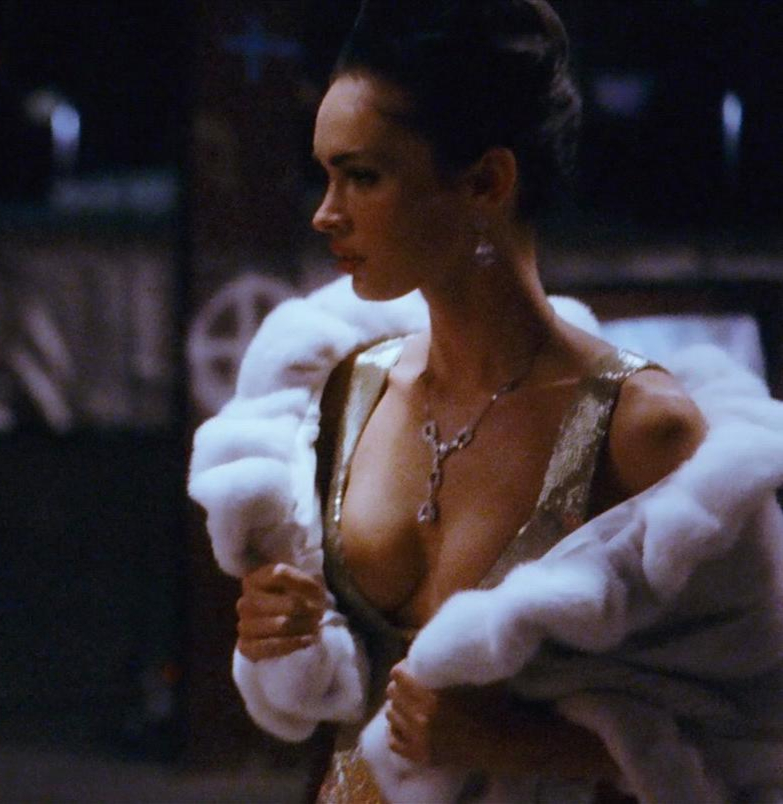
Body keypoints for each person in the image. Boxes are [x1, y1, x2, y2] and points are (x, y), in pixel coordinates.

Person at [187, 1, 783, 801]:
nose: (326, 213)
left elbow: (757, 746)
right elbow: (334, 708)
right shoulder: (349, 391)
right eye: (325, 175)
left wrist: (523, 745)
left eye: (362, 177)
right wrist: (280, 636)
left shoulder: (645, 432)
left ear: (486, 182)